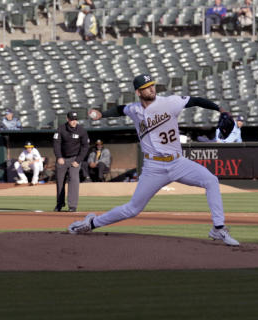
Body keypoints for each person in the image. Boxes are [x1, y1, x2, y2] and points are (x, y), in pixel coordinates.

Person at [68, 74, 240, 246]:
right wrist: (101, 114)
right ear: (138, 92)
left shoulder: (169, 102)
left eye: (152, 85)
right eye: (147, 87)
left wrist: (220, 109)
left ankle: (218, 228)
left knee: (211, 180)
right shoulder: (135, 109)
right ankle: (90, 223)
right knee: (133, 209)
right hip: (154, 167)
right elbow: (120, 110)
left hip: (178, 162)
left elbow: (195, 100)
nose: (152, 89)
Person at [53, 110, 90, 212]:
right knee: (60, 182)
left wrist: (78, 160)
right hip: (62, 159)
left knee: (74, 180)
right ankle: (59, 204)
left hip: (75, 159)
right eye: (72, 119)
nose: (74, 121)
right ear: (67, 119)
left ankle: (72, 206)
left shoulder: (81, 130)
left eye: (75, 119)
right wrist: (59, 157)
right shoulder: (61, 129)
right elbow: (56, 144)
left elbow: (85, 146)